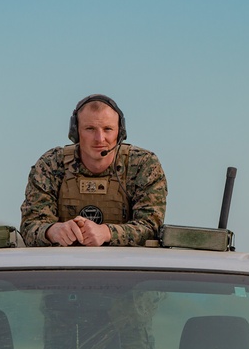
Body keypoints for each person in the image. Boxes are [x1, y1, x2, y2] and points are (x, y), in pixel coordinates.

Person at [20, 94, 167, 247]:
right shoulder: (51, 165)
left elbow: (152, 227)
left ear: (120, 133)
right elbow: (30, 226)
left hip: (124, 266)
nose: (99, 138)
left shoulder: (142, 165)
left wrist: (107, 233)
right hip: (64, 265)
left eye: (108, 129)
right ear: (76, 132)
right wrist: (52, 231)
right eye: (90, 129)